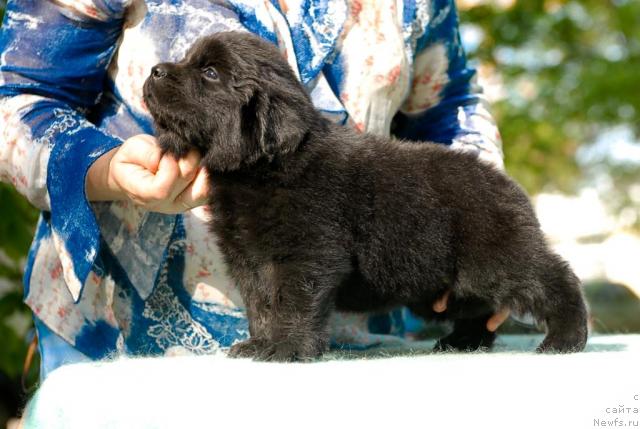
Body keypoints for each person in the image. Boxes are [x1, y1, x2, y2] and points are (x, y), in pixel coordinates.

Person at [0, 0, 507, 381]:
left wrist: (485, 229)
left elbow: (449, 110)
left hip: (357, 328)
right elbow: (17, 96)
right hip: (128, 340)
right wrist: (106, 168)